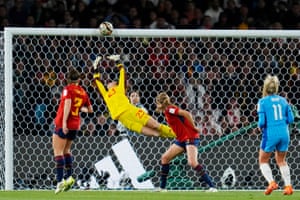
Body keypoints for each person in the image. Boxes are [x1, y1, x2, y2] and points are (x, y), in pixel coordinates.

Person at [92, 55, 175, 138]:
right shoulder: (105, 94)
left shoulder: (119, 88)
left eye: (111, 81)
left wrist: (118, 62)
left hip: (130, 111)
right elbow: (98, 83)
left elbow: (122, 74)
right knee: (154, 133)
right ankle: (174, 137)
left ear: (115, 84)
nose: (109, 82)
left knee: (155, 125)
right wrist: (95, 68)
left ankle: (176, 134)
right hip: (124, 120)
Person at [155, 92, 217, 192]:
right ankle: (162, 188)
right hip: (181, 139)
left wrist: (193, 127)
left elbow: (186, 113)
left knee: (192, 163)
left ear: (159, 103)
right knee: (165, 158)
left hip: (189, 137)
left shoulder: (169, 109)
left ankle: (212, 187)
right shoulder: (168, 110)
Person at [53, 68, 93, 194]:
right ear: (79, 79)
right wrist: (80, 109)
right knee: (67, 150)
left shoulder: (67, 89)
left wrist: (64, 122)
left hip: (63, 123)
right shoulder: (82, 92)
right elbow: (90, 110)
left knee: (58, 151)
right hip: (75, 125)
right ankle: (69, 177)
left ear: (68, 79)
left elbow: (68, 104)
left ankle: (60, 182)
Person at [257, 74, 294, 195]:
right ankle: (288, 186)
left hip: (271, 134)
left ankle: (272, 182)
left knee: (263, 160)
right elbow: (291, 119)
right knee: (281, 160)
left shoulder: (262, 102)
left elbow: (262, 122)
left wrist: (260, 126)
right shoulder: (283, 101)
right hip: (284, 133)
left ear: (265, 88)